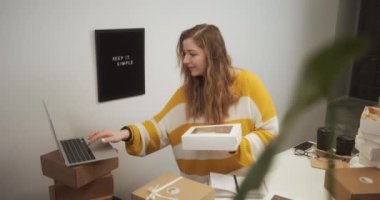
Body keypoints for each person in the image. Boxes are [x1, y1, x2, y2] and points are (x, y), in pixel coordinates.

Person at [88, 24, 279, 183]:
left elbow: (271, 134)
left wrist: (236, 145)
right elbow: (158, 129)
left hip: (241, 189)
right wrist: (125, 133)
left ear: (213, 55)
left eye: (192, 54)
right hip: (197, 192)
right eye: (184, 54)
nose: (186, 60)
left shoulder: (249, 85)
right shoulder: (185, 95)